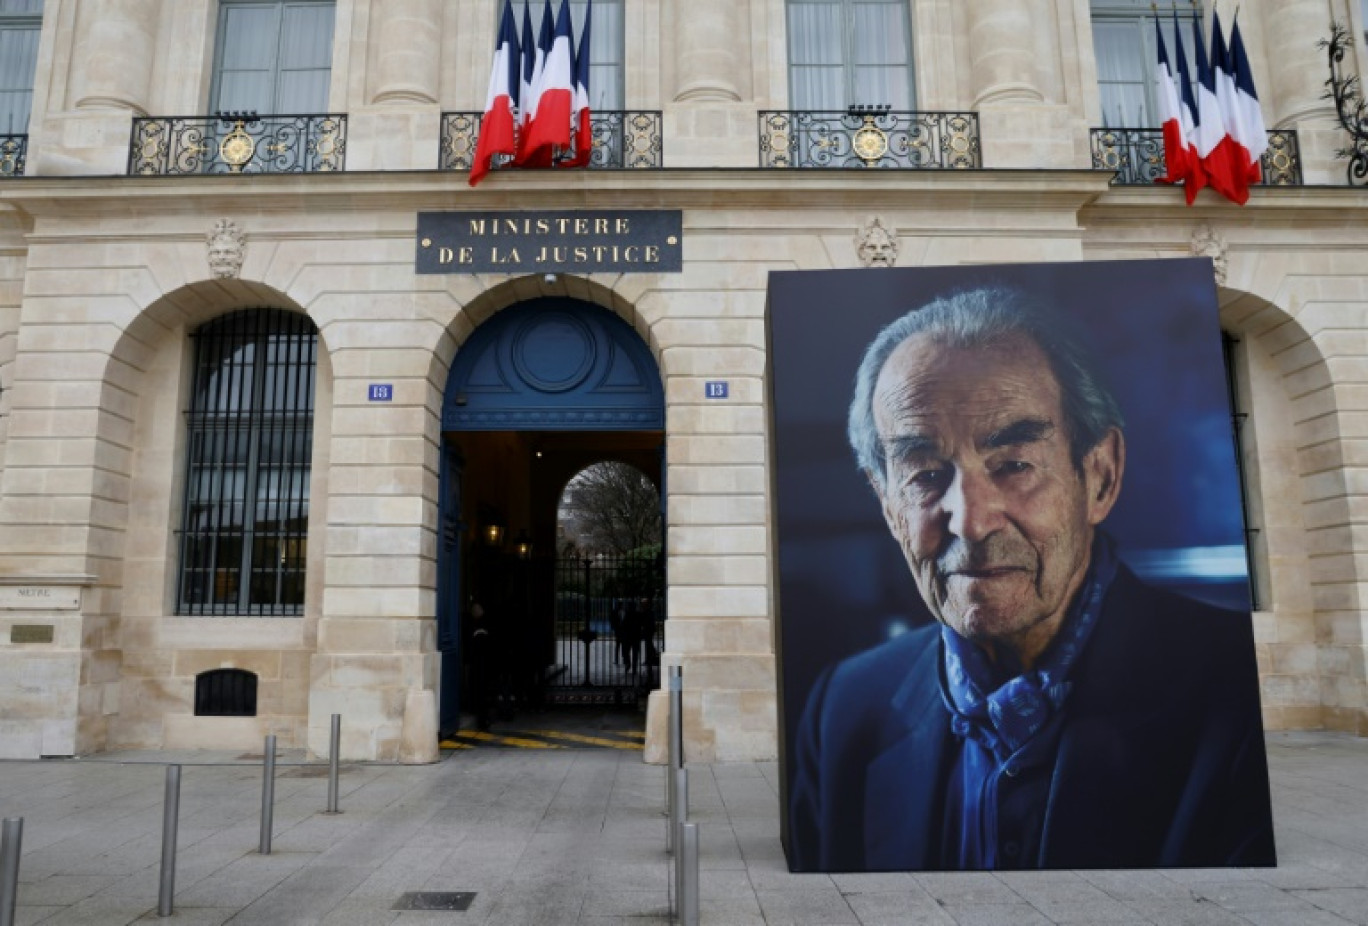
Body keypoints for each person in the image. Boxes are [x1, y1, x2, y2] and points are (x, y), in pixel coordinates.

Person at [787, 286, 1276, 872]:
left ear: (1099, 477)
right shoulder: (844, 709)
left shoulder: (1239, 698)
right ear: (888, 503)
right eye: (924, 474)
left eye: (1013, 465)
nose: (969, 520)